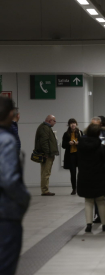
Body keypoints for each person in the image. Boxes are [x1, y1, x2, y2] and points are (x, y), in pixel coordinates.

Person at [0, 97, 31, 275]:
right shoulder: (6, 140)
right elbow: (9, 180)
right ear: (12, 114)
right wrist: (24, 199)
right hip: (5, 214)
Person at [77, 123, 105, 232]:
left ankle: (89, 225)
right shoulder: (100, 146)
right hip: (98, 176)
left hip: (84, 176)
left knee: (88, 201)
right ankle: (104, 225)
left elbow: (77, 160)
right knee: (100, 200)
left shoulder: (80, 146)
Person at [34, 114, 59, 196]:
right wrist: (47, 153)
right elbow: (44, 141)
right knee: (46, 172)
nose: (55, 122)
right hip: (47, 154)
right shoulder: (44, 128)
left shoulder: (46, 127)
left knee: (45, 172)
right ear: (49, 121)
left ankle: (45, 189)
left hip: (48, 153)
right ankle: (45, 190)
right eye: (54, 120)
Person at [62, 118, 83, 195]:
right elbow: (63, 145)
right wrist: (68, 143)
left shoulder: (80, 133)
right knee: (73, 173)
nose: (73, 124)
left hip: (79, 154)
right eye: (71, 123)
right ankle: (74, 188)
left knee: (81, 173)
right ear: (69, 125)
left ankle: (80, 187)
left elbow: (84, 143)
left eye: (74, 123)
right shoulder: (66, 134)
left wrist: (78, 143)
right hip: (70, 155)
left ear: (76, 124)